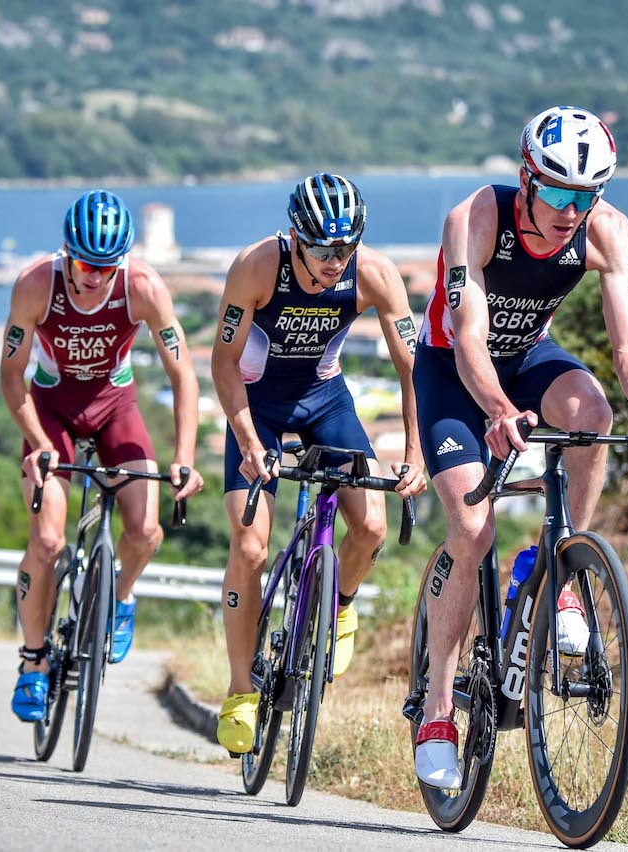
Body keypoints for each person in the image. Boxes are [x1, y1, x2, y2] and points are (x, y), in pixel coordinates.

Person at [410, 106, 628, 789]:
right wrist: (501, 412)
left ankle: (560, 566)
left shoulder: (606, 230)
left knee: (591, 414)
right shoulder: (473, 220)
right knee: (473, 528)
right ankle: (438, 711)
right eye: (560, 190)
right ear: (526, 178)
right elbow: (469, 337)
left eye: (588, 192)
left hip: (529, 353)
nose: (572, 209)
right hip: (454, 369)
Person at [211, 172, 428, 754]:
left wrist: (414, 449)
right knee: (250, 544)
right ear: (294, 237)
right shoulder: (256, 267)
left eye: (347, 247)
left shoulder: (374, 274)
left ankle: (342, 604)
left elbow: (413, 368)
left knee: (373, 526)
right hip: (258, 404)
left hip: (324, 399)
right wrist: (249, 440)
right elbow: (225, 364)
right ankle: (240, 693)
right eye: (324, 250)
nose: (337, 261)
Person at [1, 189, 205, 723]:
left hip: (116, 406)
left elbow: (183, 374)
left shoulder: (142, 286)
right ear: (68, 254)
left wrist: (184, 456)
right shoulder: (34, 285)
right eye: (87, 265)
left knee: (147, 532)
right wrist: (39, 443)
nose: (96, 276)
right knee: (46, 540)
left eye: (107, 266)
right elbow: (9, 373)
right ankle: (33, 660)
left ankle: (120, 598)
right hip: (51, 410)